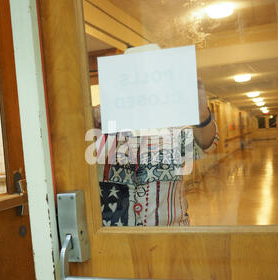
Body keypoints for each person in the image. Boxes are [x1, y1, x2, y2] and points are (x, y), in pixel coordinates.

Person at [93, 46, 219, 227]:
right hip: (114, 243)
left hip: (171, 239)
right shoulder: (101, 119)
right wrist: (90, 118)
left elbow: (206, 144)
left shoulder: (176, 124)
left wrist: (201, 114)